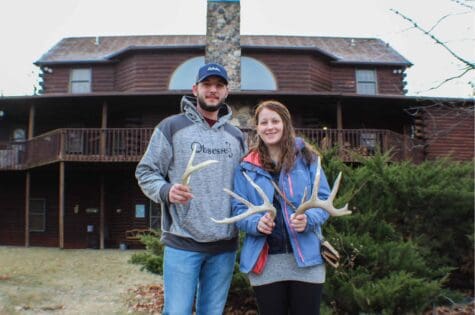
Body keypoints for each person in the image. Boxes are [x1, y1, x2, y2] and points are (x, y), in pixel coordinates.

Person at [135, 63, 245, 315]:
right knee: (177, 312)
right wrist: (166, 191)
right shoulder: (171, 127)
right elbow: (145, 172)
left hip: (224, 246)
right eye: (207, 85)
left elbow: (245, 183)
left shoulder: (236, 136)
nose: (213, 90)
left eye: (219, 85)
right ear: (195, 89)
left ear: (227, 91)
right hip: (183, 242)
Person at [230, 100, 331, 315]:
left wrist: (309, 219)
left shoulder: (308, 158)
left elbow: (323, 200)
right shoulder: (245, 167)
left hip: (307, 261)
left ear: (285, 123)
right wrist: (256, 224)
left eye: (275, 121)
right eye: (264, 122)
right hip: (266, 264)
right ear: (257, 127)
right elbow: (237, 210)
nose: (270, 127)